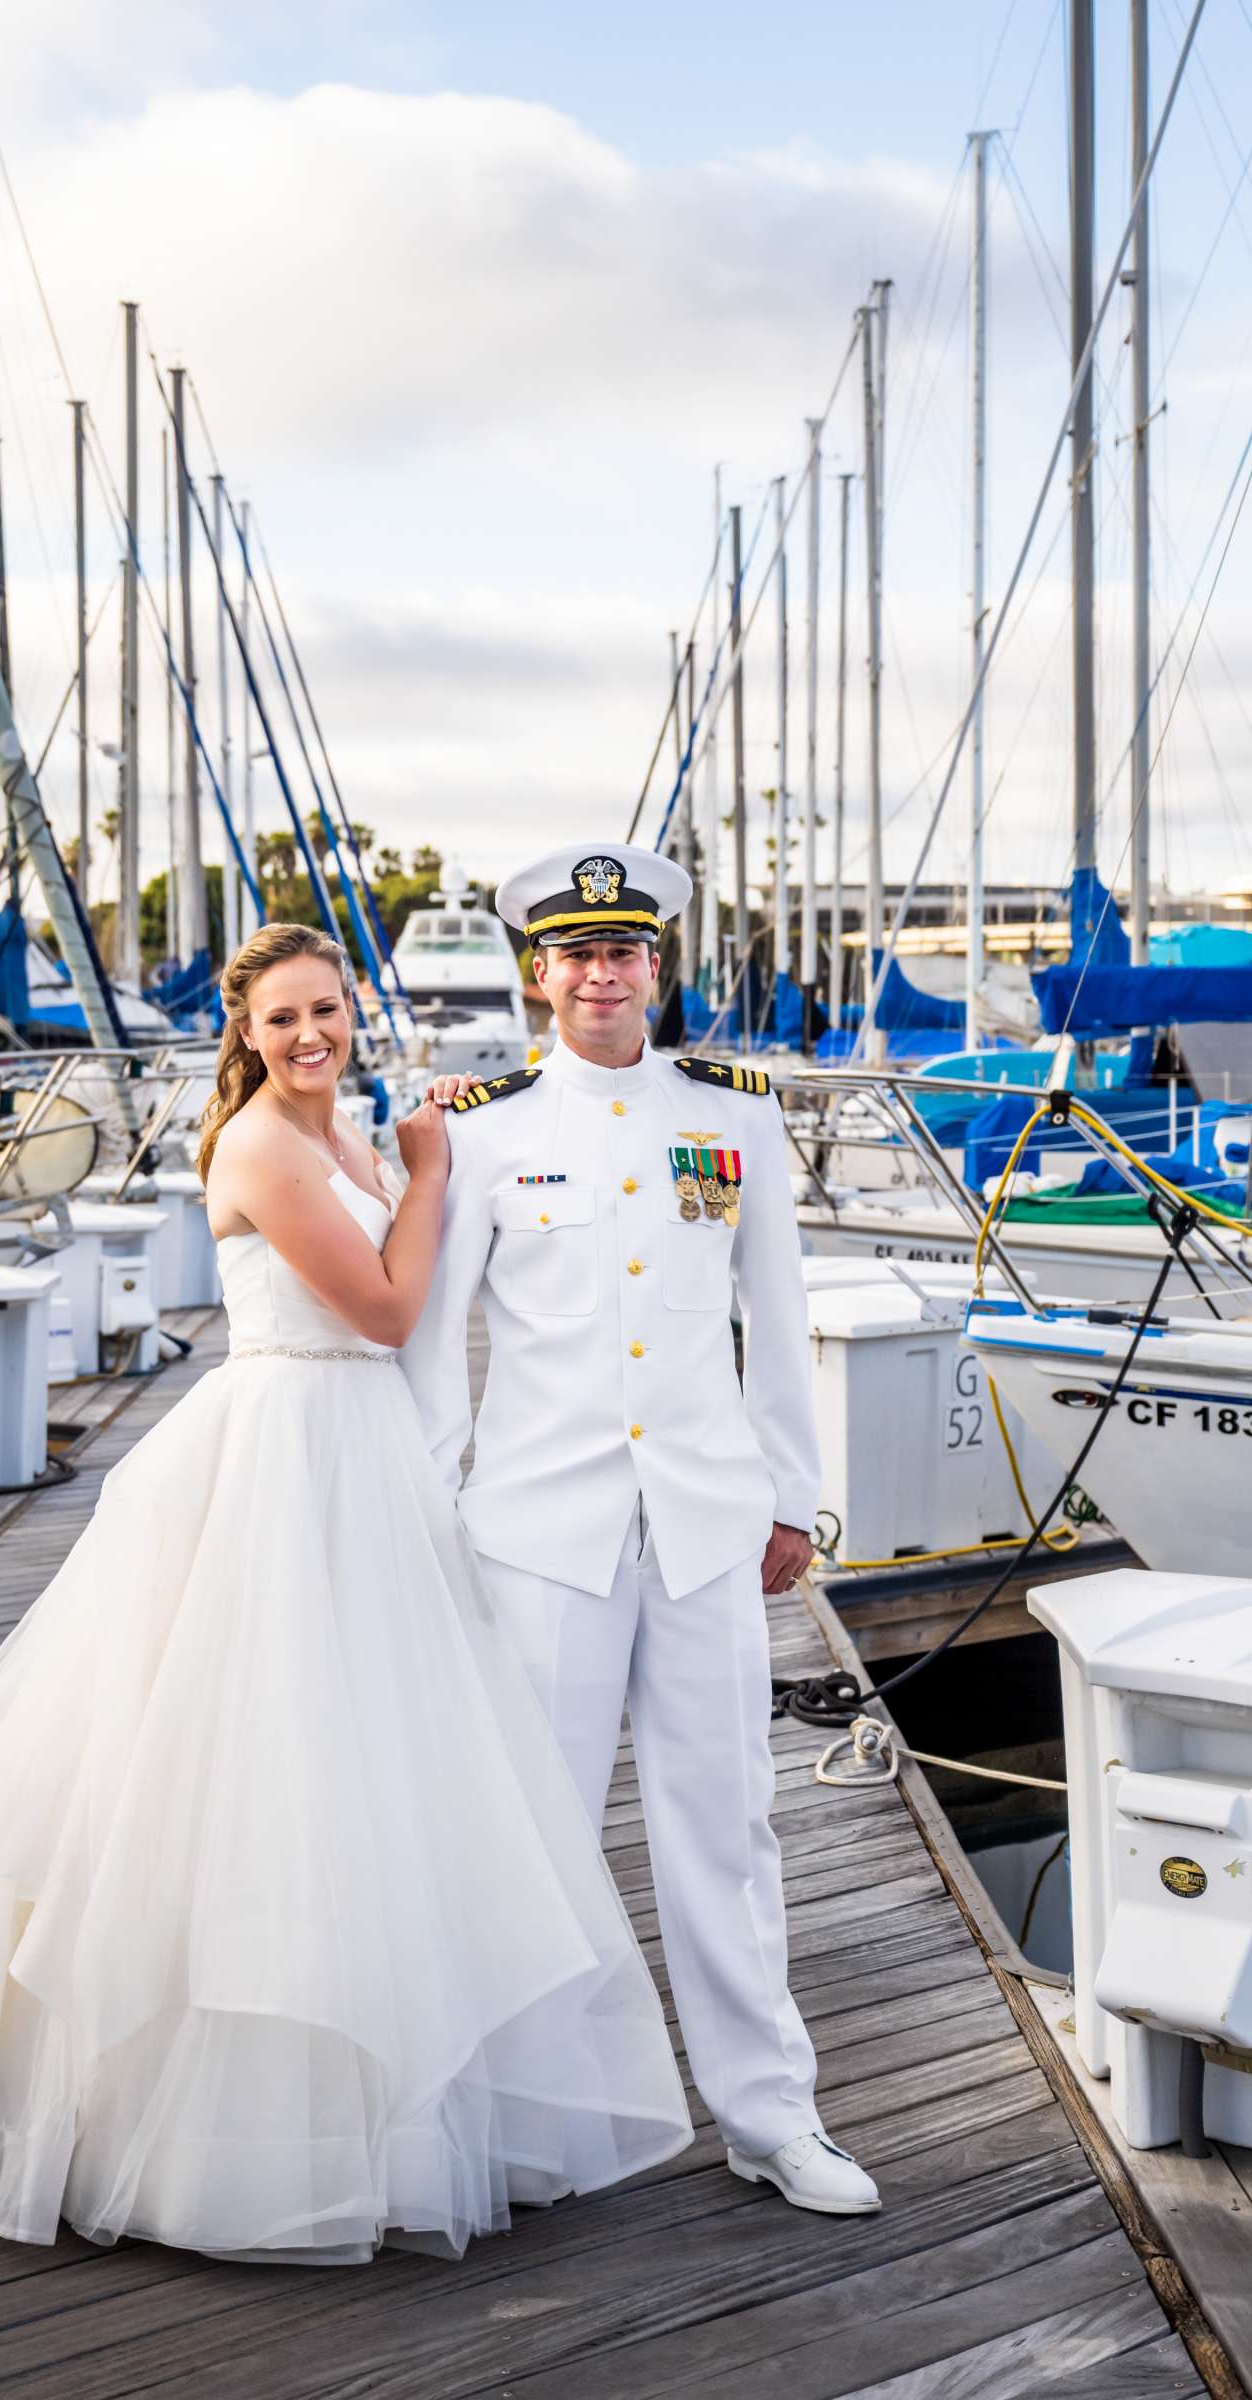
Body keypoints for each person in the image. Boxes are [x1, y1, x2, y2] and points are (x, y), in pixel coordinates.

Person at [0, 921, 691, 2264]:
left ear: (351, 1015)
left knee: (358, 1779)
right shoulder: (264, 1148)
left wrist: (410, 1159)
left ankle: (380, 2095)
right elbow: (391, 1312)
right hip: (282, 1456)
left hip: (363, 1465)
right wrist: (433, 1173)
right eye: (281, 1019)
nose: (309, 1036)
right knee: (228, 1773)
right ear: (243, 1031)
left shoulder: (342, 1136)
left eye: (327, 1011)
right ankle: (188, 2121)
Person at [400, 844, 880, 2216]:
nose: (601, 973)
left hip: (707, 1521)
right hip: (540, 1528)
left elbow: (776, 1317)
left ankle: (769, 2115)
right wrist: (433, 1514)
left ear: (656, 969)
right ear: (539, 975)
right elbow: (438, 1350)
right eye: (575, 954)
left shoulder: (737, 1115)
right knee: (536, 1828)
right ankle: (519, 2116)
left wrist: (792, 1492)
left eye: (624, 951)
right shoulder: (480, 1127)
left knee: (725, 1826)